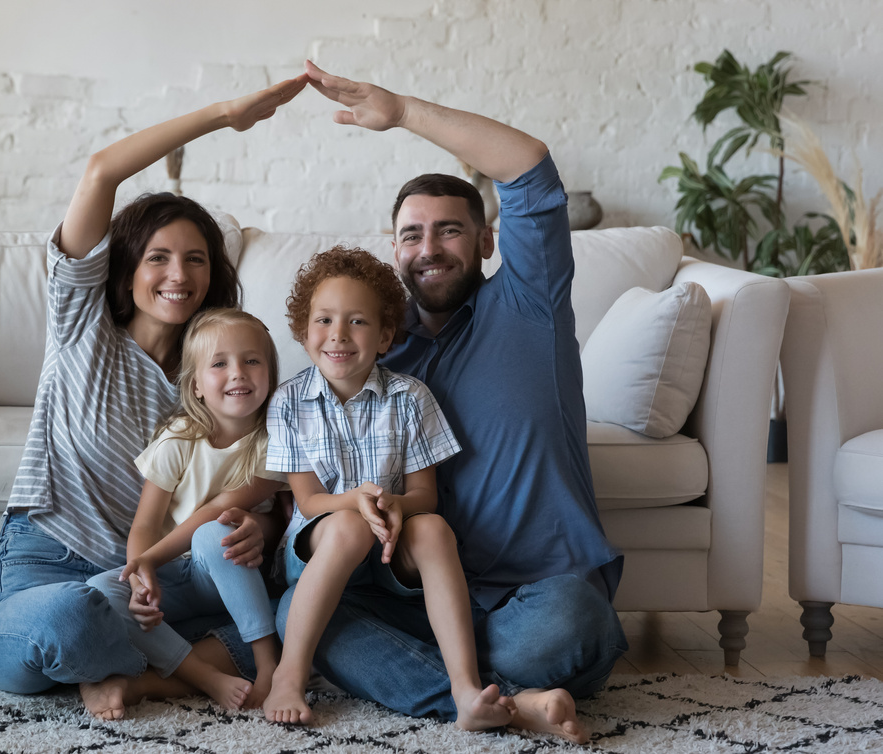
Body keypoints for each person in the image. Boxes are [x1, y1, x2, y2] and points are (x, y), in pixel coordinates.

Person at [277, 61, 629, 744]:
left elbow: (528, 167)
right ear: (394, 249)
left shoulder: (530, 303)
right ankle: (500, 700)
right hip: (412, 591)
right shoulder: (373, 347)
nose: (429, 248)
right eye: (412, 234)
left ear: (488, 241)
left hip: (533, 592)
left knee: (567, 632)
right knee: (305, 612)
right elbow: (298, 441)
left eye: (450, 230)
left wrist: (402, 111)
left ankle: (453, 680)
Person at [0, 73, 308, 721]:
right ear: (125, 270)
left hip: (166, 579)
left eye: (196, 259)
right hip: (50, 559)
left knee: (305, 619)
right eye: (158, 257)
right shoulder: (81, 325)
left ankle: (136, 674)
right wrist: (223, 114)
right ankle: (156, 666)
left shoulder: (222, 375)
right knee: (69, 618)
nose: (178, 275)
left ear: (215, 277)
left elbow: (254, 486)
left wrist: (259, 529)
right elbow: (100, 172)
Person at [261, 246, 517, 731]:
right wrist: (356, 502)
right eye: (324, 320)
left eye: (357, 322)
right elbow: (310, 501)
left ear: (384, 337)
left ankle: (464, 688)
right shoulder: (288, 402)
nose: (338, 334)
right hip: (318, 545)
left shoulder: (410, 397)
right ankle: (288, 676)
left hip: (388, 544)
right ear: (303, 331)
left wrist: (394, 504)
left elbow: (426, 495)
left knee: (435, 530)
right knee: (347, 529)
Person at [84, 309, 285, 716]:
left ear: (270, 373)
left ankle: (268, 666)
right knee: (102, 592)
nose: (238, 373)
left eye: (252, 360)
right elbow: (143, 525)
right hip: (178, 576)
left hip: (231, 571)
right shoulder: (178, 439)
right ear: (196, 386)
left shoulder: (275, 442)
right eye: (219, 363)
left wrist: (150, 558)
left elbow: (218, 509)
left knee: (215, 531)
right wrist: (141, 576)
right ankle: (203, 676)